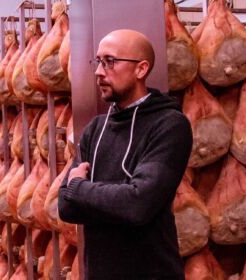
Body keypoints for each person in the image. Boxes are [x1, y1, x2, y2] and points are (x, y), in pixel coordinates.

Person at [59, 29, 192, 279]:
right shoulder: (96, 128)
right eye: (98, 61)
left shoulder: (170, 125)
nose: (99, 72)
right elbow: (66, 207)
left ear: (141, 69)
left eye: (109, 61)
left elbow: (138, 205)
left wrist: (79, 187)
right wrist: (112, 197)